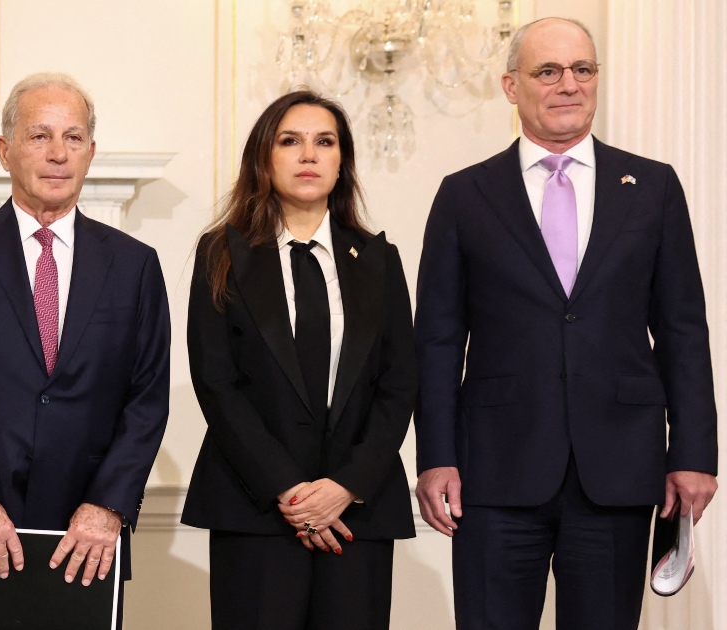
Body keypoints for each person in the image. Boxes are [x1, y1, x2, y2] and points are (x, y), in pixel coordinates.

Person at [414, 17, 718, 630]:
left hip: (618, 468)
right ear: (511, 85)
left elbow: (683, 331)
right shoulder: (464, 195)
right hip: (494, 471)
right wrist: (435, 456)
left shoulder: (653, 187)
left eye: (582, 69)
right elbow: (438, 341)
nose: (568, 84)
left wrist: (694, 452)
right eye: (548, 71)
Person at [0, 72, 171, 629]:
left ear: (90, 152)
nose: (57, 154)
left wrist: (108, 506)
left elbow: (147, 398)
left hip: (86, 534)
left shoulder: (134, 264)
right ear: (5, 152)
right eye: (39, 136)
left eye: (73, 138)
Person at [181, 90, 417, 629]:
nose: (308, 155)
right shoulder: (221, 254)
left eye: (324, 142)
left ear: (342, 160)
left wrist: (344, 487)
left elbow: (399, 384)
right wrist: (291, 493)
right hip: (257, 508)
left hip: (356, 513)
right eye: (290, 141)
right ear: (264, 157)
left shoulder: (379, 260)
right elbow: (216, 383)